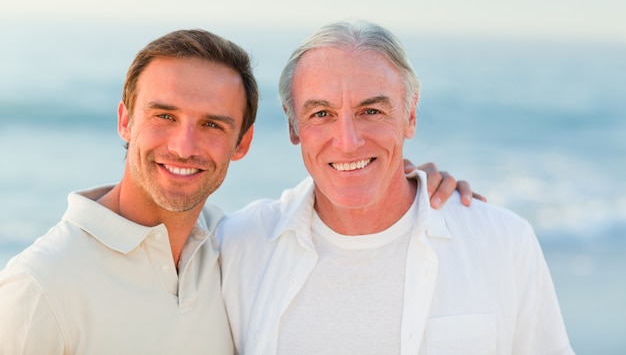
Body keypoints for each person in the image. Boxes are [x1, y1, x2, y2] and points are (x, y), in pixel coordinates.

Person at [0, 29, 473, 355]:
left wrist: (398, 180)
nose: (184, 146)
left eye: (212, 124)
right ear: (126, 120)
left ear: (241, 142)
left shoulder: (227, 248)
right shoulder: (41, 285)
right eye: (164, 116)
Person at [215, 20, 575, 355]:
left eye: (371, 111)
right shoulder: (237, 246)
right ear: (294, 127)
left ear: (410, 115)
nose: (348, 141)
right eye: (321, 114)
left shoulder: (503, 242)